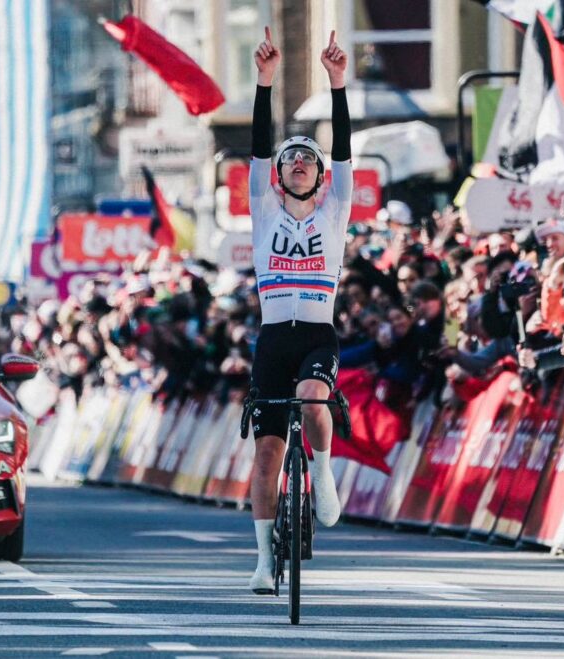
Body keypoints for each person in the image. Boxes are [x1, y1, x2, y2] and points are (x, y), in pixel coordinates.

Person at [246, 26, 351, 593]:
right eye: (291, 162)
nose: (301, 164)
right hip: (271, 339)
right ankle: (263, 560)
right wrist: (264, 83)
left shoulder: (334, 212)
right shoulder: (264, 209)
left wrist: (337, 86)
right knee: (265, 453)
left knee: (313, 398)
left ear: (322, 176)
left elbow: (344, 149)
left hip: (316, 335)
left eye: (310, 160)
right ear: (280, 177)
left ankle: (324, 470)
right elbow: (260, 147)